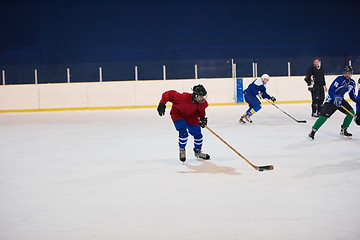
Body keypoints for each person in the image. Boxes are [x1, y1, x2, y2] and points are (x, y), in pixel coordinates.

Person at [157, 84, 210, 162]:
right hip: (178, 115)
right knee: (183, 133)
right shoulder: (182, 97)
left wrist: (202, 119)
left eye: (203, 96)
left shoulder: (202, 103)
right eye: (201, 96)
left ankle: (198, 152)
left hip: (192, 117)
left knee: (198, 135)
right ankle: (182, 149)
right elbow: (169, 94)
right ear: (195, 95)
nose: (203, 98)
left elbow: (201, 111)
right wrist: (162, 102)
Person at [308, 66, 356, 140]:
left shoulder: (352, 83)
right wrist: (334, 97)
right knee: (323, 116)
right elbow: (331, 89)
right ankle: (313, 132)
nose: (347, 75)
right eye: (346, 73)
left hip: (341, 100)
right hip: (331, 101)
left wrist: (358, 101)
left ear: (351, 74)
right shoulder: (339, 79)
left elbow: (352, 96)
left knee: (351, 113)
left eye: (349, 73)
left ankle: (344, 129)